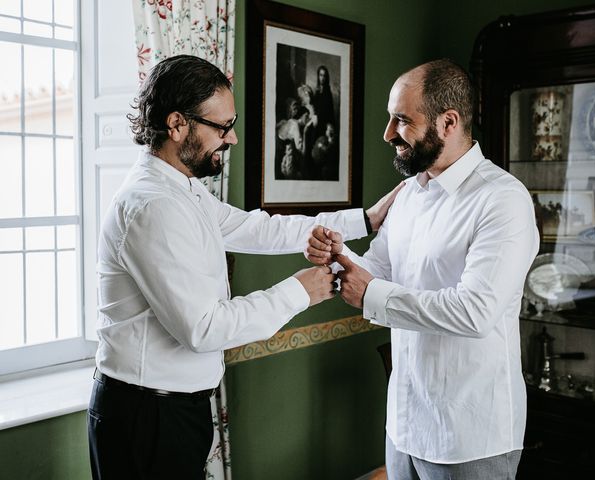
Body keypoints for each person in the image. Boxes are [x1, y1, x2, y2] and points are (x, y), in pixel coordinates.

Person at [89, 54, 402, 480]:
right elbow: (203, 328)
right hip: (148, 416)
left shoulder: (183, 190)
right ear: (178, 124)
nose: (232, 138)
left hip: (174, 408)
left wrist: (363, 220)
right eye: (222, 127)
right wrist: (300, 291)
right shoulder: (154, 206)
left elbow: (259, 229)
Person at [307, 59, 539, 479]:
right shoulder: (411, 195)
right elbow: (378, 267)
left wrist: (371, 293)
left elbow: (475, 311)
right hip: (404, 422)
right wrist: (338, 254)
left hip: (469, 435)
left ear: (448, 122)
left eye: (401, 120)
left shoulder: (502, 200)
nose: (388, 134)